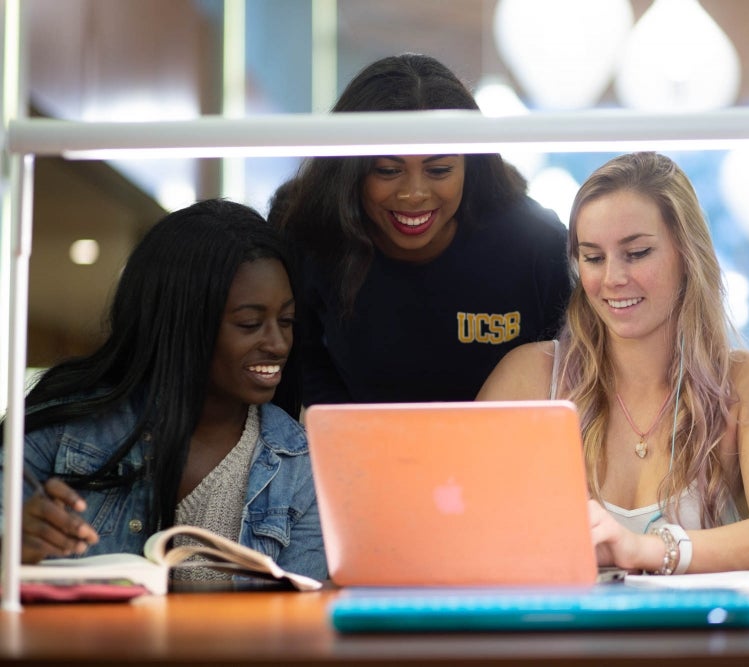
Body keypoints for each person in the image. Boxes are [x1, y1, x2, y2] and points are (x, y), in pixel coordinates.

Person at [478, 152, 749, 575]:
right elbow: (460, 530)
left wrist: (643, 550)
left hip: (697, 641)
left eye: (637, 253)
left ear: (686, 254)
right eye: (593, 257)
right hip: (560, 638)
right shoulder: (528, 378)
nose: (612, 279)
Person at [0, 199, 327, 582]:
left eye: (286, 320)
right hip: (77, 645)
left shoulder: (299, 466)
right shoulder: (63, 431)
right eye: (250, 323)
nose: (277, 343)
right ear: (182, 323)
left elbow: (304, 620)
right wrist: (12, 547)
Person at [270, 53, 571, 404]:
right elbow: (298, 357)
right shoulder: (313, 236)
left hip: (508, 451)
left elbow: (579, 367)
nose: (414, 194)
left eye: (439, 170)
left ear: (469, 167)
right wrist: (341, 423)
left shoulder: (535, 242)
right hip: (362, 450)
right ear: (351, 172)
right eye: (387, 170)